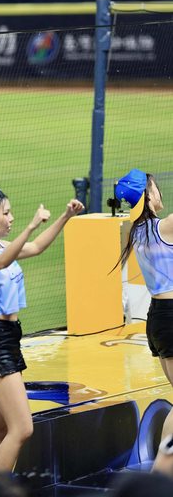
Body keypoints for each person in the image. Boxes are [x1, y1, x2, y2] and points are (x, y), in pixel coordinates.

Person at [0, 186, 84, 471]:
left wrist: (65, 216)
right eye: (5, 213)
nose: (11, 218)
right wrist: (31, 225)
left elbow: (37, 247)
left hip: (7, 339)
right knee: (22, 428)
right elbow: (2, 261)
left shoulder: (3, 246)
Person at [114, 168, 173, 442]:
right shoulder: (164, 227)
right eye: (155, 187)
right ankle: (163, 460)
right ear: (148, 195)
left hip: (158, 318)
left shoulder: (137, 231)